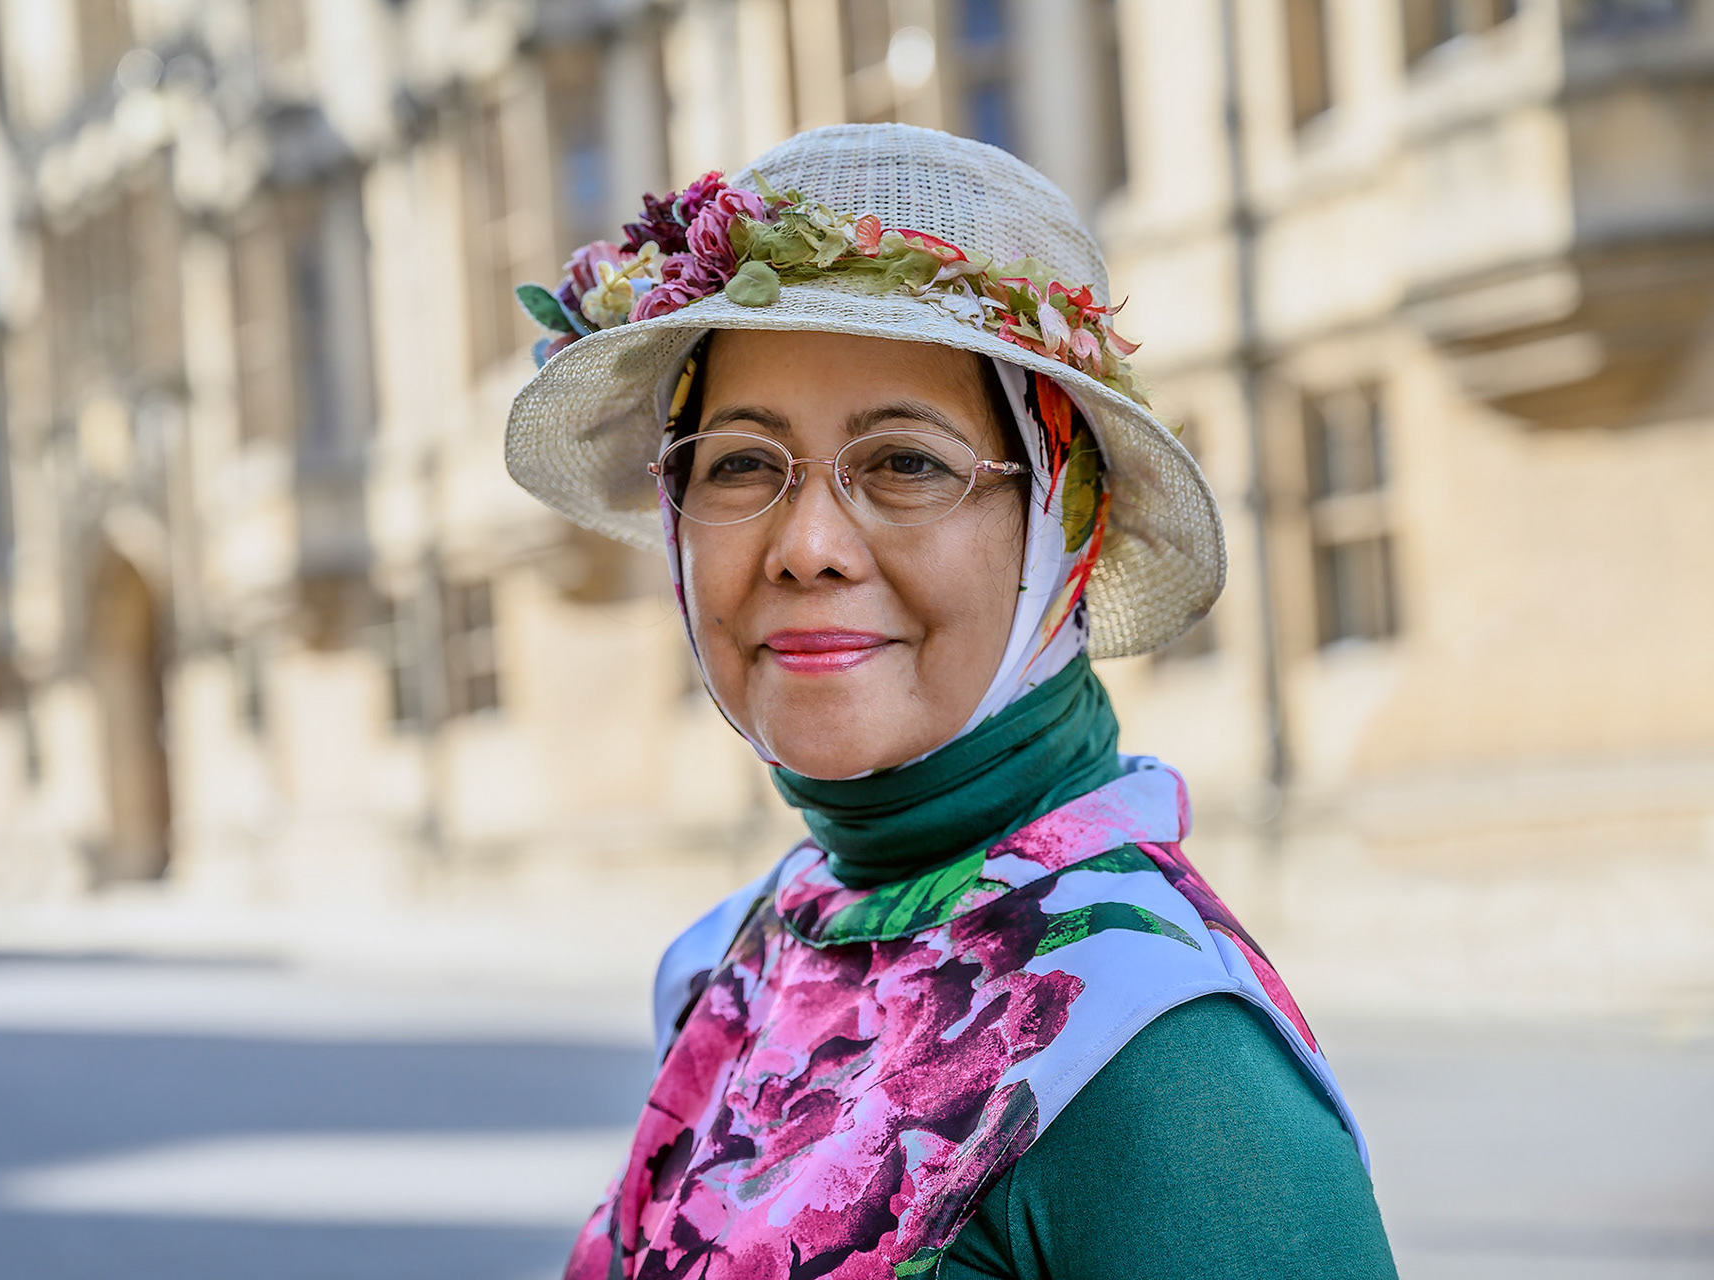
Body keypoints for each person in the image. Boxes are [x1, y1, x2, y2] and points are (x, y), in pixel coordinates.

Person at [505, 123, 1396, 1280]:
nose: (808, 545)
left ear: (1060, 531)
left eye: (906, 463)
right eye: (738, 462)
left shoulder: (1157, 1061)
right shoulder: (742, 953)